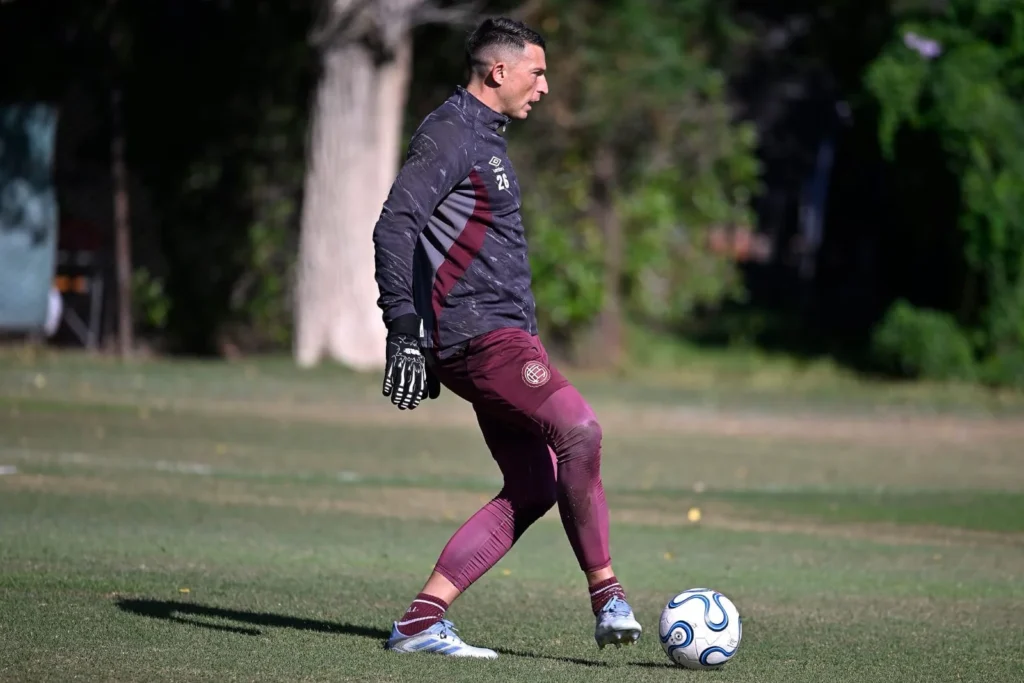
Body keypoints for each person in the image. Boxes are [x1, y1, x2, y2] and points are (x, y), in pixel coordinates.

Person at [371, 16, 641, 659]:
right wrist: (403, 329)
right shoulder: (449, 133)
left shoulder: (482, 135)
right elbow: (394, 226)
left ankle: (420, 621)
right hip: (484, 337)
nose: (544, 87)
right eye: (537, 72)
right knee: (581, 433)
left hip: (498, 334)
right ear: (499, 71)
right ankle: (608, 595)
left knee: (533, 487)